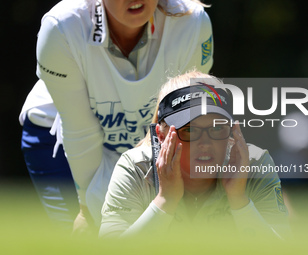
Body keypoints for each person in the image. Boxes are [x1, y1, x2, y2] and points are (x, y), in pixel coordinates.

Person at [19, 0, 213, 233]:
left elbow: (183, 122)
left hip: (148, 144)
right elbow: (79, 130)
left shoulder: (193, 22)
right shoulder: (60, 26)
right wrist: (87, 209)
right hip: (60, 142)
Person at [99, 70, 290, 239]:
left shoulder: (254, 164)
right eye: (189, 130)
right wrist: (165, 201)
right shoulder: (136, 168)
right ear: (161, 135)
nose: (205, 143)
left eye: (217, 129)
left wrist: (240, 201)